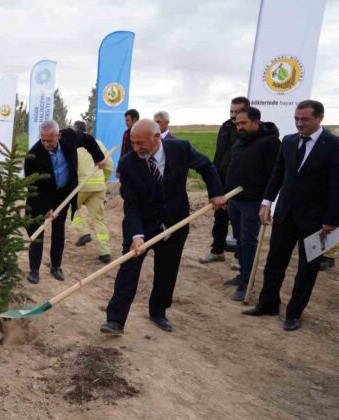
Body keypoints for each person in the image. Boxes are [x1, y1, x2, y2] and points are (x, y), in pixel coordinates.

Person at [100, 119, 225, 334]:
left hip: (175, 220)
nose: (136, 147)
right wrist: (137, 235)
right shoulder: (128, 163)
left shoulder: (180, 149)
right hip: (143, 223)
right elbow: (131, 204)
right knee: (128, 269)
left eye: (141, 143)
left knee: (167, 270)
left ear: (156, 137)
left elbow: (206, 166)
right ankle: (116, 320)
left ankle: (158, 312)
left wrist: (216, 193)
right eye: (133, 142)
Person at [244, 100, 339, 331]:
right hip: (285, 214)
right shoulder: (288, 141)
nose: (299, 123)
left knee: (307, 269)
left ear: (320, 117)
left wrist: (331, 221)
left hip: (317, 222)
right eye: (296, 119)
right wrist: (266, 201)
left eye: (305, 119)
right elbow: (278, 173)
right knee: (274, 262)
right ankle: (268, 304)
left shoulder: (336, 146)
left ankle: (294, 313)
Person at [25, 120, 106, 283]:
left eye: (50, 140)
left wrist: (99, 157)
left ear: (58, 135)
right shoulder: (33, 155)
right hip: (40, 197)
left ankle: (56, 266)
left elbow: (88, 140)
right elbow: (32, 186)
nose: (46, 144)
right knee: (37, 231)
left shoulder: (69, 136)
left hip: (62, 194)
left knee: (58, 231)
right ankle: (34, 270)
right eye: (43, 140)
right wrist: (46, 208)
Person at [224, 106, 280, 301]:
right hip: (235, 199)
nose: (239, 127)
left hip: (253, 201)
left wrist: (267, 202)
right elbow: (232, 169)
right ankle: (242, 274)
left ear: (256, 122)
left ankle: (248, 282)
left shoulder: (270, 143)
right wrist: (226, 195)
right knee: (239, 239)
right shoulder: (240, 142)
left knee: (248, 242)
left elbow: (275, 174)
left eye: (243, 123)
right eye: (237, 123)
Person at [200, 96, 249, 264]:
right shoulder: (225, 127)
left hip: (239, 185)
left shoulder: (249, 130)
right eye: (231, 111)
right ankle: (217, 250)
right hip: (221, 181)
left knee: (239, 223)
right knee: (220, 219)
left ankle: (240, 257)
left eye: (237, 112)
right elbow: (219, 155)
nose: (233, 116)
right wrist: (214, 184)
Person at [71, 120, 114, 264]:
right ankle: (105, 252)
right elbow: (109, 166)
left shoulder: (73, 146)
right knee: (99, 219)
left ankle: (84, 232)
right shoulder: (99, 143)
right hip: (98, 186)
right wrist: (103, 180)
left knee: (70, 209)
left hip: (81, 184)